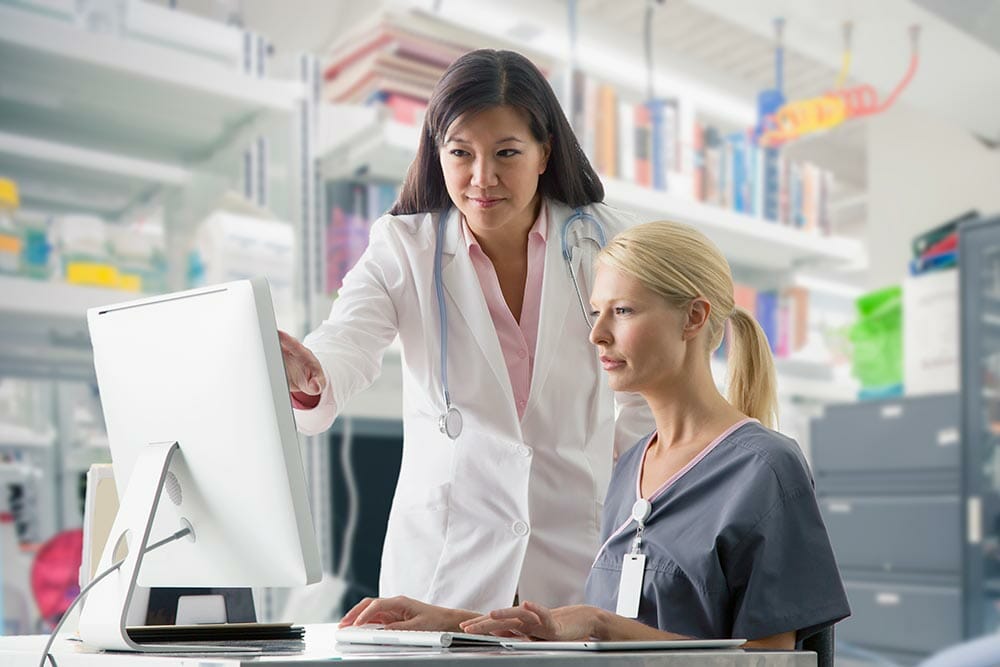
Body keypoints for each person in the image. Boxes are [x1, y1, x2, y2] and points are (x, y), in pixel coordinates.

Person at [338, 221, 851, 649]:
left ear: (693, 317)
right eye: (595, 312)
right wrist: (454, 625)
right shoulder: (630, 467)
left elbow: (774, 662)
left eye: (622, 311)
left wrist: (599, 624)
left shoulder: (763, 469)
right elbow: (602, 641)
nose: (596, 334)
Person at [279, 48, 653, 613]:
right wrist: (311, 372)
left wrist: (636, 487)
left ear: (545, 152)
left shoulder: (607, 242)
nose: (483, 178)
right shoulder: (406, 247)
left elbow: (648, 385)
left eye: (507, 152)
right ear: (438, 152)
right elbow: (347, 338)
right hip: (448, 565)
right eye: (461, 153)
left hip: (579, 553)